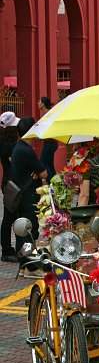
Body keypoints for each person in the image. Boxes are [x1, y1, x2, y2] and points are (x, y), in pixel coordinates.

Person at [10, 117, 47, 254]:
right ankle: (28, 265)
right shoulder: (26, 150)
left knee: (25, 228)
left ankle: (25, 261)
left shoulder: (19, 147)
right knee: (28, 229)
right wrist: (38, 172)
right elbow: (44, 173)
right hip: (28, 196)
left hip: (23, 194)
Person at [0, 112, 20, 262]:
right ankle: (6, 250)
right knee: (8, 217)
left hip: (9, 182)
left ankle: (8, 249)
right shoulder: (8, 145)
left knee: (11, 216)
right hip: (10, 184)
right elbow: (15, 164)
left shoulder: (8, 143)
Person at [38, 96, 58, 179]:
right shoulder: (49, 114)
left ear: (43, 104)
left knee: (43, 163)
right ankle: (55, 183)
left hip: (50, 143)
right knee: (49, 164)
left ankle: (51, 182)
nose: (38, 103)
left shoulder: (48, 115)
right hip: (52, 143)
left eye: (39, 102)